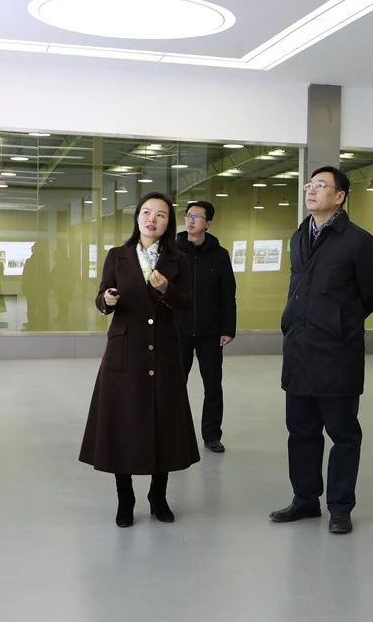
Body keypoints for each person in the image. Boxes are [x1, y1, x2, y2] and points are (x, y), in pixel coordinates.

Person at [269, 166, 373, 535]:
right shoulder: (299, 236)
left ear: (339, 197)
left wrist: (339, 320)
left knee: (343, 433)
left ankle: (340, 507)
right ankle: (305, 498)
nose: (311, 190)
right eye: (310, 184)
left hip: (338, 352)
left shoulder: (360, 242)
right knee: (300, 431)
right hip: (299, 348)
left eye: (321, 185)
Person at [79, 192, 200, 527]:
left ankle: (158, 496)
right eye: (147, 212)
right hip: (125, 350)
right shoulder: (117, 255)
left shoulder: (178, 260)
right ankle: (125, 498)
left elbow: (187, 303)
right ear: (137, 218)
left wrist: (166, 289)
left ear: (168, 223)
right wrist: (107, 300)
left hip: (163, 349)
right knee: (123, 422)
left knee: (164, 422)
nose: (152, 219)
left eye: (160, 215)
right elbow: (102, 297)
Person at [175, 201, 237, 454]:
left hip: (210, 333)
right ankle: (174, 433)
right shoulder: (172, 252)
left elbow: (228, 294)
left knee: (213, 386)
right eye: (188, 216)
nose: (191, 221)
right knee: (175, 386)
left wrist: (228, 328)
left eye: (197, 217)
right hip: (178, 331)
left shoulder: (219, 255)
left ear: (208, 224)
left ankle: (212, 435)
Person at [21, 242, 51, 331]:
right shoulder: (30, 261)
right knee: (32, 306)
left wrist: (46, 287)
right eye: (35, 248)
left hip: (40, 288)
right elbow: (25, 275)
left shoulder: (43, 262)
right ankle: (32, 323)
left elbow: (46, 276)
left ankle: (42, 323)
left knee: (41, 306)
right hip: (32, 288)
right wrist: (24, 286)